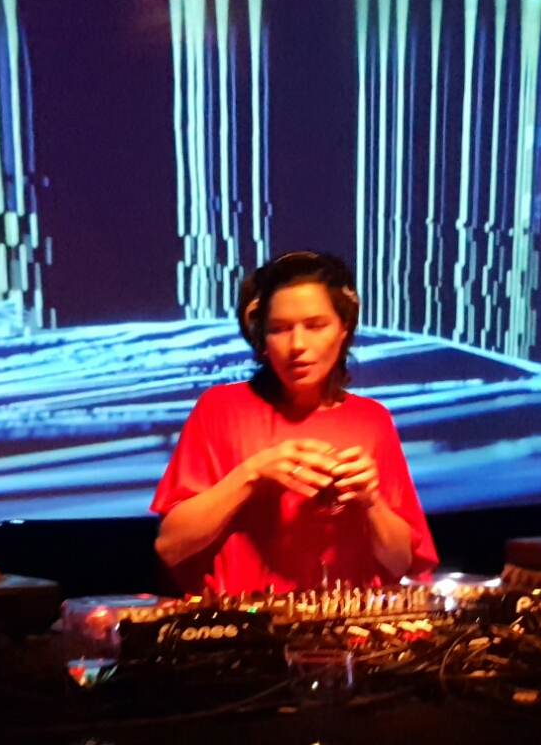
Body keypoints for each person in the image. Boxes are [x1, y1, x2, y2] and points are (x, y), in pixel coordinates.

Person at [153, 251, 437, 594]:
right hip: (241, 621)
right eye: (279, 329)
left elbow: (400, 564)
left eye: (316, 326)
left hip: (343, 620)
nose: (297, 345)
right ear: (262, 339)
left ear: (344, 329)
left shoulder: (371, 419)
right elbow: (171, 545)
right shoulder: (220, 409)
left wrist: (371, 502)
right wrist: (254, 473)